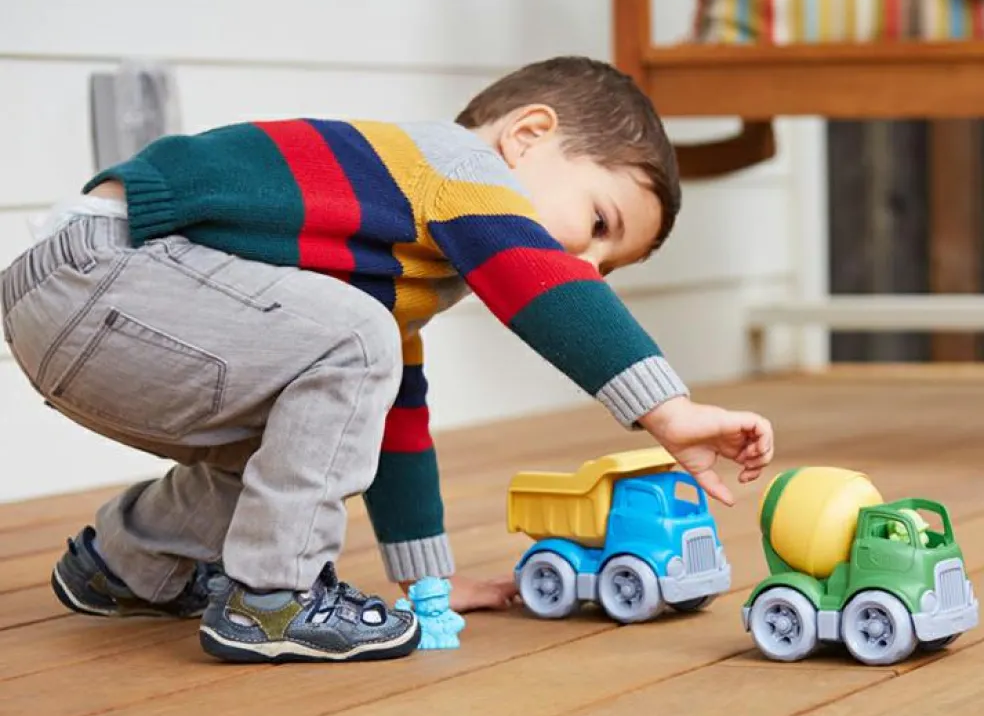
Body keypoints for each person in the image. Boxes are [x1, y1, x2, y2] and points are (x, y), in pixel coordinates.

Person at [0, 56, 774, 664]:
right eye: (599, 221)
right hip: (103, 272)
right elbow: (535, 281)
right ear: (528, 135)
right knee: (354, 341)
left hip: (98, 306)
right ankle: (274, 601)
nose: (585, 260)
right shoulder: (453, 164)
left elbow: (389, 428)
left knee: (303, 435)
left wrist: (428, 583)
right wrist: (667, 409)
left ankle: (125, 564)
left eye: (609, 264)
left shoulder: (380, 271)